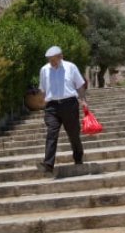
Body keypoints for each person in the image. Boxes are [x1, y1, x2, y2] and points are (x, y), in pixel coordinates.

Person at [36, 45, 87, 174]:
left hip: (69, 104)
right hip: (52, 106)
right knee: (51, 133)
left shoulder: (71, 67)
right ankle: (48, 164)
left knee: (73, 134)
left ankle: (78, 157)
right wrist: (43, 104)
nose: (52, 63)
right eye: (50, 60)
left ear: (61, 57)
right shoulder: (44, 70)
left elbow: (80, 85)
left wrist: (83, 100)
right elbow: (43, 89)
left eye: (54, 60)